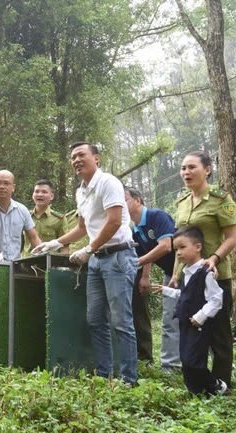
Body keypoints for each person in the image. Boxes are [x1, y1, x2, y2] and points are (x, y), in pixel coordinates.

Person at [33, 142, 138, 385]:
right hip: (97, 261)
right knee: (95, 320)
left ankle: (129, 379)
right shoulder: (80, 191)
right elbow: (82, 227)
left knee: (121, 320)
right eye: (72, 157)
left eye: (81, 155)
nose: (76, 160)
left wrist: (88, 248)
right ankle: (104, 375)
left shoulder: (109, 182)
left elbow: (113, 222)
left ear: (96, 158)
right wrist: (54, 243)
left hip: (118, 256)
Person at [171, 151, 236, 389]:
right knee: (192, 325)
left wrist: (214, 258)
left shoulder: (221, 200)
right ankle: (199, 379)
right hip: (189, 276)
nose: (186, 172)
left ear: (207, 169)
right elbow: (180, 242)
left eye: (191, 167)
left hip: (214, 274)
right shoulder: (181, 203)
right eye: (183, 168)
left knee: (219, 331)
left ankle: (222, 382)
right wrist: (176, 273)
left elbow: (232, 238)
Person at [153, 226, 227, 395]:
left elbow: (217, 298)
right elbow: (186, 295)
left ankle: (216, 384)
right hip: (185, 322)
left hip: (199, 325)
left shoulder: (205, 272)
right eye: (176, 249)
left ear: (198, 247)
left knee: (194, 361)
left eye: (182, 247)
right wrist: (166, 290)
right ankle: (196, 391)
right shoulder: (186, 272)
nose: (178, 253)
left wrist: (201, 316)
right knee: (186, 360)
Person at [125, 187, 180, 370]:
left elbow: (165, 246)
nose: (121, 204)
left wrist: (138, 262)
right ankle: (171, 366)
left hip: (187, 270)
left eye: (124, 199)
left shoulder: (157, 216)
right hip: (169, 273)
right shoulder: (134, 228)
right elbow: (147, 252)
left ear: (138, 200)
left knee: (197, 316)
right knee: (170, 319)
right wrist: (145, 276)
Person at [0, 170, 41, 262]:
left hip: (15, 265)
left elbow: (34, 238)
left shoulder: (22, 210)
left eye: (6, 183)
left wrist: (45, 254)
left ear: (13, 187)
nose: (2, 187)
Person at [22, 179, 68, 256]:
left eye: (44, 192)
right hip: (25, 262)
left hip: (49, 263)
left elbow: (64, 245)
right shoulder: (24, 216)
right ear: (33, 195)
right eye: (36, 191)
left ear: (51, 196)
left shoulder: (59, 219)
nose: (40, 194)